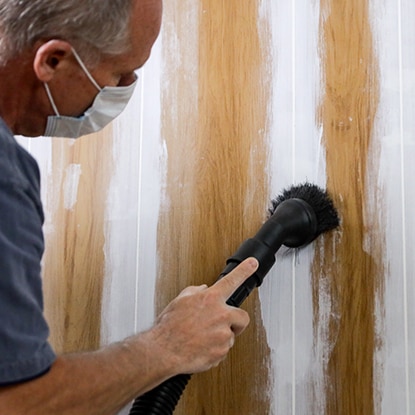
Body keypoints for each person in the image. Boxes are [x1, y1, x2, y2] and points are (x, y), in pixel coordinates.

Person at [0, 0, 259, 414]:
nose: (125, 86)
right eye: (119, 73)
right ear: (53, 60)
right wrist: (167, 347)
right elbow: (18, 404)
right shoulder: (5, 176)